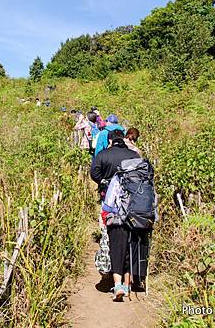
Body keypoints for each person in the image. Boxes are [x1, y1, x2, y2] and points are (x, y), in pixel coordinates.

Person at [90, 129, 140, 300]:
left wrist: (104, 182)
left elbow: (94, 173)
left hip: (111, 205)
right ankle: (129, 282)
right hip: (133, 206)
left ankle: (113, 278)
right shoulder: (134, 155)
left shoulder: (104, 154)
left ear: (110, 141)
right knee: (130, 242)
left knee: (112, 239)